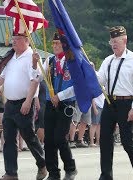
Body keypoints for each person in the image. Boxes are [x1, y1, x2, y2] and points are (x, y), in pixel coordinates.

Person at [0, 32, 47, 180]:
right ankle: (11, 173)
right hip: (10, 104)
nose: (14, 42)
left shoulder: (32, 56)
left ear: (26, 41)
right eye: (13, 39)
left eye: (17, 39)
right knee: (9, 139)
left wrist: (28, 101)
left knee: (29, 137)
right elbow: (2, 79)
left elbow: (35, 81)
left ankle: (42, 163)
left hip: (24, 102)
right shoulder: (11, 57)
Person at [97, 26, 133, 180]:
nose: (113, 44)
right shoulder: (108, 60)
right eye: (111, 41)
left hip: (126, 103)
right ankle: (106, 175)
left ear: (125, 40)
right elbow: (100, 80)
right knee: (104, 139)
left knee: (127, 141)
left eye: (116, 41)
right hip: (109, 102)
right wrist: (90, 71)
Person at [32, 32, 78, 180]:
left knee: (59, 138)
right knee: (49, 140)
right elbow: (37, 78)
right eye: (53, 44)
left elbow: (77, 85)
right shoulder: (49, 61)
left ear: (65, 45)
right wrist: (34, 64)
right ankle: (53, 172)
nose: (55, 46)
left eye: (58, 43)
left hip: (65, 104)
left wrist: (60, 96)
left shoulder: (72, 61)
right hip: (50, 104)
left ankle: (70, 168)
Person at [34, 80, 47, 147]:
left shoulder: (46, 81)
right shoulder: (40, 81)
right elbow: (35, 95)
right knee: (41, 125)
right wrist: (37, 105)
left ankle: (43, 141)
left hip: (46, 104)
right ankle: (40, 142)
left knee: (44, 124)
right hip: (41, 105)